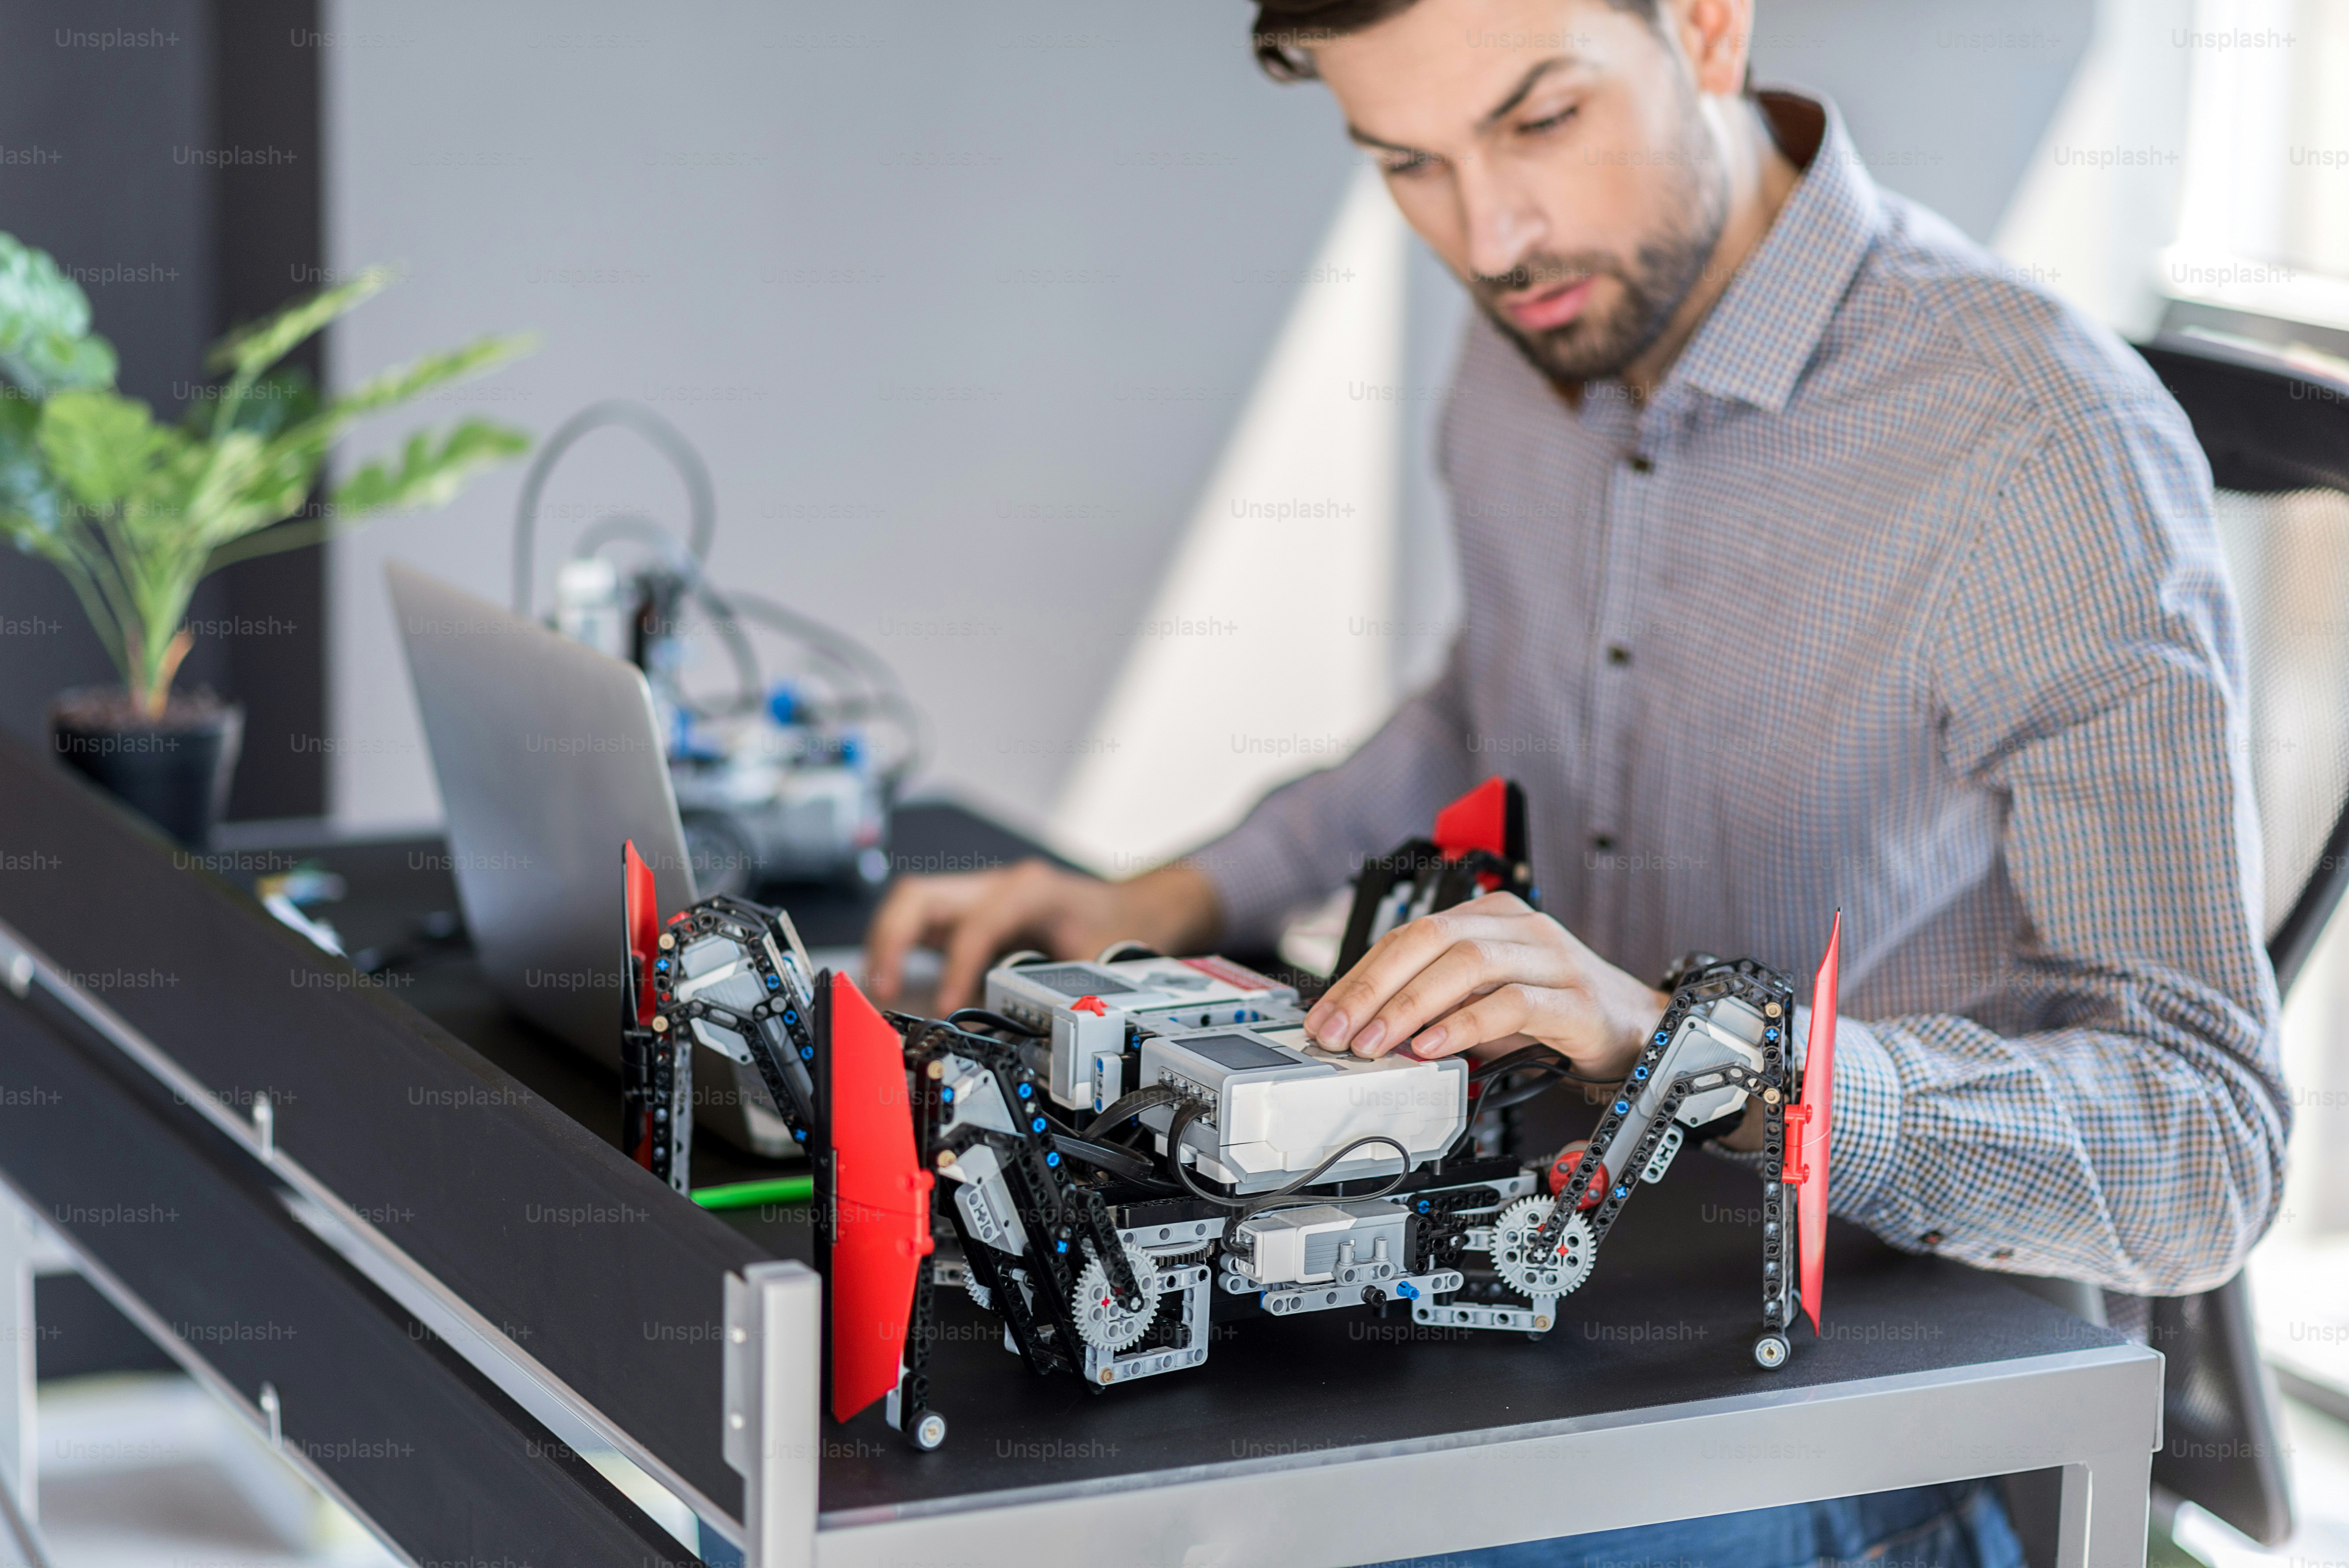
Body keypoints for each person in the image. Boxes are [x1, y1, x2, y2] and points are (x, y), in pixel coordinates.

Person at [867, 1, 2289, 1561]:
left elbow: (2204, 1144)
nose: (1489, 232)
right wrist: (1169, 898)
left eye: (1540, 122)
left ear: (1708, 27)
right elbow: (1482, 717)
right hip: (1551, 1304)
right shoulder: (1529, 342)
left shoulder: (2036, 444)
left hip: (1888, 1410)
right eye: (1409, 162)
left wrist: (1709, 1057)